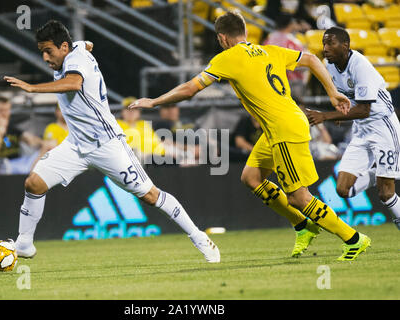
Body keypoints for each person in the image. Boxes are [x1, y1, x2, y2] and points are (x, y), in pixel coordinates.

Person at [130, 11, 370, 261]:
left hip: (283, 129)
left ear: (222, 38)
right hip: (279, 126)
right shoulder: (270, 50)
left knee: (299, 196)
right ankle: (302, 226)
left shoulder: (228, 58)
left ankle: (353, 239)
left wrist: (155, 101)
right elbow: (311, 59)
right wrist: (332, 92)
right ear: (244, 32)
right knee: (251, 177)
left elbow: (190, 89)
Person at [4, 20, 220, 263]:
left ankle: (198, 236)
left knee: (150, 195)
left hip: (107, 144)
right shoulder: (74, 49)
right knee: (34, 183)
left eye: (48, 51)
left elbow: (74, 83)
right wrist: (85, 44)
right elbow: (86, 43)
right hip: (76, 145)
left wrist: (33, 89)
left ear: (64, 47)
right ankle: (24, 243)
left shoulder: (76, 61)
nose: (44, 57)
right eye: (41, 51)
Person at [306, 26, 400, 230]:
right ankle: (378, 173)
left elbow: (365, 109)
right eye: (323, 43)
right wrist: (339, 109)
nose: (325, 48)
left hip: (382, 125)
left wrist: (326, 116)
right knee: (342, 190)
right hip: (361, 129)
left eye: (330, 43)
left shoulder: (360, 66)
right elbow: (344, 96)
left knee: (386, 194)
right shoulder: (329, 65)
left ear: (345, 45)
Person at [0, 97, 43, 175]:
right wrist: (0, 131)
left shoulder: (12, 128)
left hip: (18, 164)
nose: (4, 114)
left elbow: (31, 140)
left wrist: (43, 143)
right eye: (1, 110)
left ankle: (33, 178)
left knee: (45, 149)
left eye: (7, 110)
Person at [117, 97, 165, 164]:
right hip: (128, 158)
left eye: (135, 109)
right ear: (122, 112)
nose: (131, 112)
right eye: (128, 108)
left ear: (139, 112)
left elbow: (156, 142)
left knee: (171, 148)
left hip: (150, 155)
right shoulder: (117, 124)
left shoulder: (143, 124)